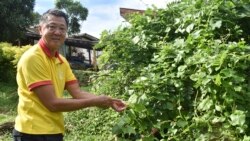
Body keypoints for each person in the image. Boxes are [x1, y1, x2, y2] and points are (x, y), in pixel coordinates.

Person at [13, 9, 126, 141]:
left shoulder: (61, 60)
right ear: (40, 29)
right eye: (51, 27)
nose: (57, 32)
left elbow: (77, 93)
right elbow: (52, 104)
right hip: (31, 132)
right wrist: (94, 102)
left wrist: (110, 101)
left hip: (54, 130)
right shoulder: (33, 58)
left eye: (62, 28)